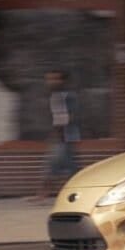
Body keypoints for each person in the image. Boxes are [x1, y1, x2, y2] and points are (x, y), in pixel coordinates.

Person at [32, 70, 80, 202]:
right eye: (49, 79)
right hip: (63, 138)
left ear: (63, 81)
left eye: (55, 79)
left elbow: (66, 117)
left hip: (64, 137)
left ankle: (43, 194)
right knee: (68, 167)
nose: (51, 82)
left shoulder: (65, 96)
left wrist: (58, 133)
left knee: (53, 165)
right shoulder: (56, 96)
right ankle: (44, 194)